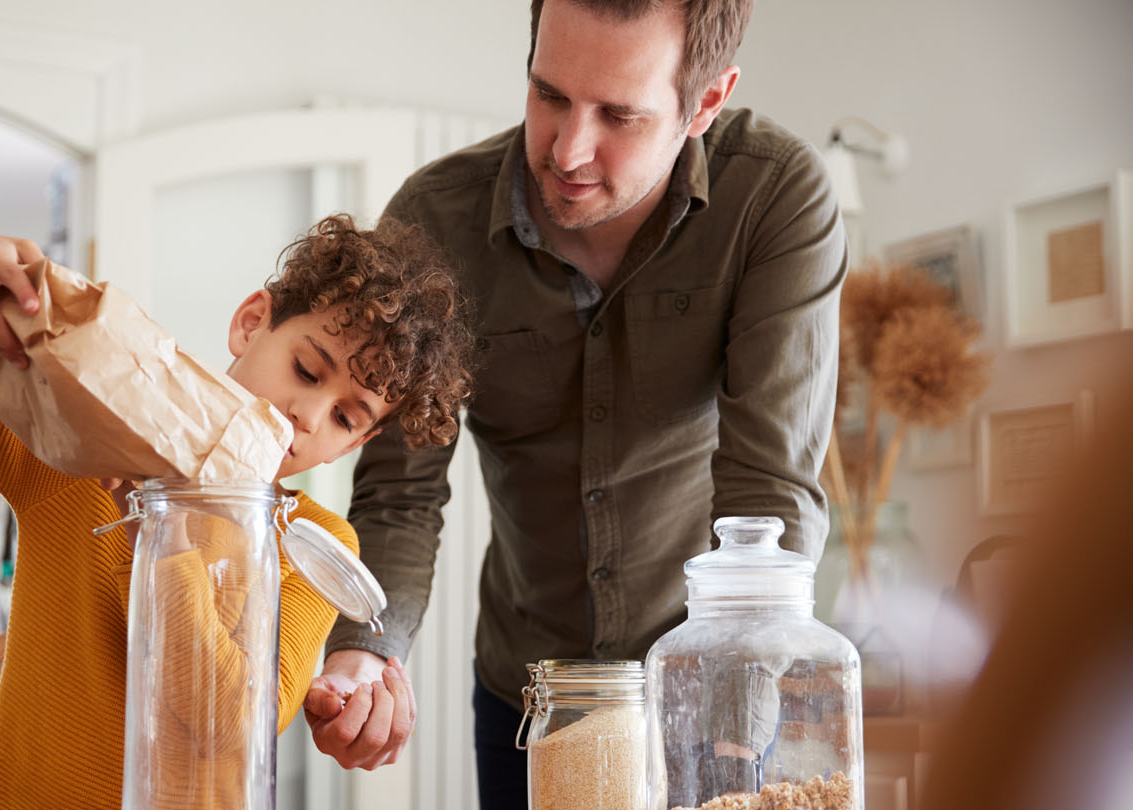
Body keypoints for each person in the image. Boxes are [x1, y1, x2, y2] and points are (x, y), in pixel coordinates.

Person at [301, 0, 847, 805]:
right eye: (549, 94)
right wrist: (365, 655)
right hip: (527, 690)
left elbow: (769, 490)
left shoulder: (774, 198)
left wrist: (730, 739)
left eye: (619, 114)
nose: (567, 151)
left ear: (706, 103)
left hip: (710, 689)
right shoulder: (435, 218)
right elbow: (401, 493)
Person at [0, 213, 474, 809]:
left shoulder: (309, 540)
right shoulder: (85, 447)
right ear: (251, 323)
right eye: (306, 370)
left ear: (358, 444)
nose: (306, 417)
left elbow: (230, 727)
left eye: (345, 418)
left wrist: (167, 522)